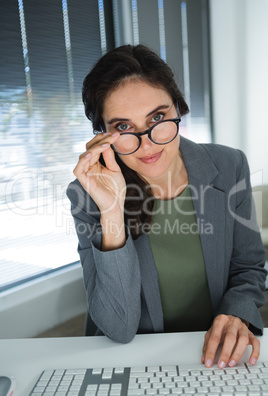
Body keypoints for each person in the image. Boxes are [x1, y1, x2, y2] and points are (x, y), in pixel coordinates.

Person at [67, 44, 267, 370]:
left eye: (157, 117)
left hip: (212, 356)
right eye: (123, 127)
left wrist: (237, 313)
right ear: (103, 137)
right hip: (135, 360)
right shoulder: (87, 194)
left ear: (179, 108)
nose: (147, 143)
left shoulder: (229, 166)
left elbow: (249, 268)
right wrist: (112, 210)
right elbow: (118, 326)